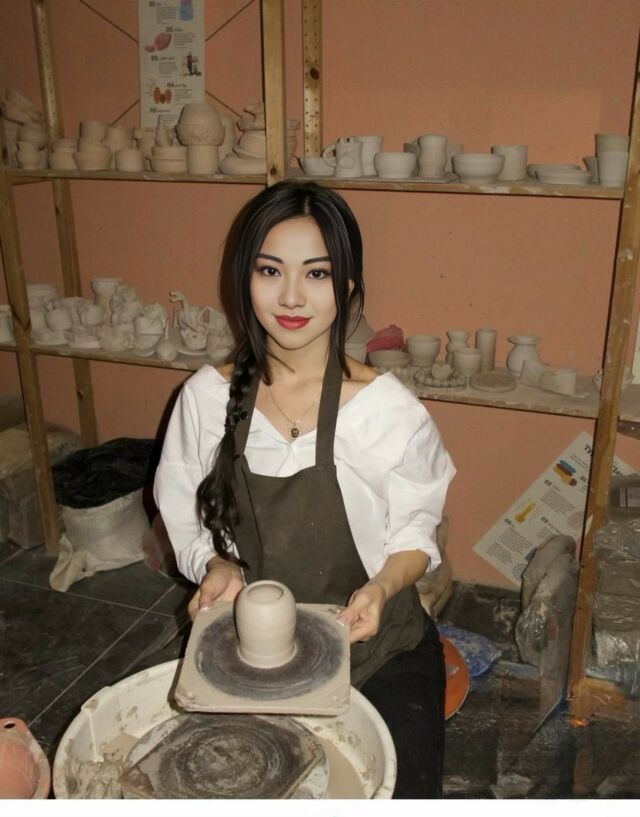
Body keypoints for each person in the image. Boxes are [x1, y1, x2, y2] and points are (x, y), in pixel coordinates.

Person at [154, 180, 456, 798]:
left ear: (346, 287)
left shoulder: (385, 410)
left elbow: (415, 533)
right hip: (251, 648)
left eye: (316, 274)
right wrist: (214, 565)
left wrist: (381, 587)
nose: (291, 296)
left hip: (377, 648)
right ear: (244, 278)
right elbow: (184, 514)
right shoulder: (207, 399)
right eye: (270, 270)